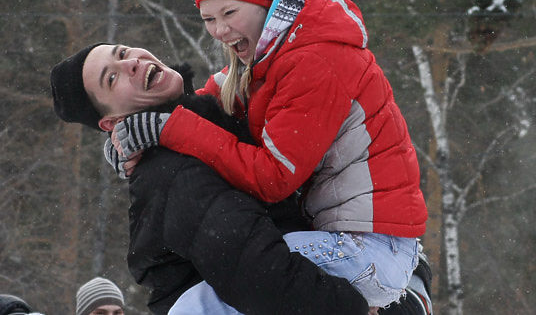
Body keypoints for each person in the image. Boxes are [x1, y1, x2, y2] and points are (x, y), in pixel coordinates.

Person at [111, 0, 428, 311]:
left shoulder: (315, 60)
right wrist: (137, 136)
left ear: (268, 1)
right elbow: (209, 106)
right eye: (208, 19)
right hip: (347, 241)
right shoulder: (270, 56)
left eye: (229, 13)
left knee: (216, 296)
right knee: (224, 284)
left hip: (372, 250)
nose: (218, 30)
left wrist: (169, 129)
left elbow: (272, 176)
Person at [50, 44, 370, 314]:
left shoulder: (209, 122)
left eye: (121, 52)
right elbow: (257, 274)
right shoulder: (170, 172)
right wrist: (354, 308)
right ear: (113, 122)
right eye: (112, 77)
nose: (131, 63)